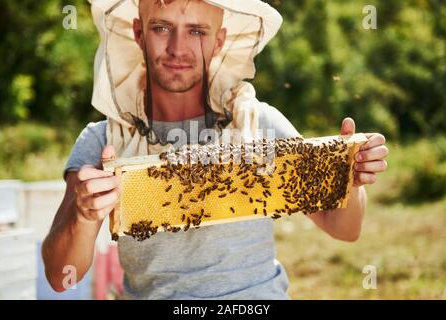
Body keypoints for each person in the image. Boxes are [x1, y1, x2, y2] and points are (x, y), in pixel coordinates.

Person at [42, 0, 389, 299]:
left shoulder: (258, 123)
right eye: (162, 28)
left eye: (197, 31)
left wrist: (351, 176)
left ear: (219, 40)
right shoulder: (103, 141)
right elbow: (60, 277)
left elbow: (344, 229)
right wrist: (84, 217)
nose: (178, 48)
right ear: (138, 33)